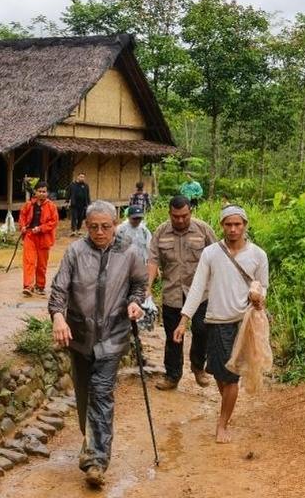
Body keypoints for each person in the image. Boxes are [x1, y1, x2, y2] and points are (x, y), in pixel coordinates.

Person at [49, 200, 147, 488]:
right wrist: (57, 317)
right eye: (93, 227)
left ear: (115, 225)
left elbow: (139, 286)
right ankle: (91, 442)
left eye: (105, 226)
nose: (100, 232)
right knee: (84, 395)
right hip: (79, 337)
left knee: (101, 393)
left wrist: (134, 303)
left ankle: (96, 460)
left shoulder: (129, 252)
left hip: (113, 337)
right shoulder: (75, 252)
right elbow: (59, 288)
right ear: (86, 226)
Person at [173, 205, 269, 444]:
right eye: (229, 224)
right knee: (218, 371)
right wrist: (184, 320)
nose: (233, 229)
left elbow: (264, 286)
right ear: (222, 226)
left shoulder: (258, 255)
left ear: (245, 225)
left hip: (243, 322)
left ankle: (222, 423)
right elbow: (197, 288)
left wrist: (259, 294)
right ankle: (228, 407)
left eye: (238, 224)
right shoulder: (211, 254)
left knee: (232, 375)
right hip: (216, 321)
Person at [147, 195, 216, 390]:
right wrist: (148, 286)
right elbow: (153, 260)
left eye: (184, 216)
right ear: (169, 213)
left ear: (190, 213)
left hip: (201, 293)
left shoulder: (203, 230)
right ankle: (172, 375)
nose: (180, 220)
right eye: (175, 216)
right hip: (173, 294)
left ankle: (197, 367)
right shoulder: (161, 232)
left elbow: (217, 257)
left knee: (202, 331)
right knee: (172, 336)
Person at [18, 181, 58, 297]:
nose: (42, 194)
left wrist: (41, 228)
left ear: (47, 193)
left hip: (44, 237)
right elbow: (22, 216)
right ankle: (28, 286)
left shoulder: (51, 206)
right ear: (35, 192)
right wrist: (23, 226)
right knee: (29, 261)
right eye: (39, 191)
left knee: (41, 264)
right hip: (30, 236)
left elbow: (53, 222)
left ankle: (40, 286)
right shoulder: (28, 205)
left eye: (44, 191)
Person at [68, 172, 91, 236]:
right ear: (77, 177)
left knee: (80, 218)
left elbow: (88, 195)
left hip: (83, 205)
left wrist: (88, 203)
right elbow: (69, 193)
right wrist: (67, 200)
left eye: (83, 177)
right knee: (74, 217)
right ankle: (73, 230)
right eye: (81, 177)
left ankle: (78, 229)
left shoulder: (86, 186)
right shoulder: (72, 185)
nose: (82, 178)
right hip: (74, 204)